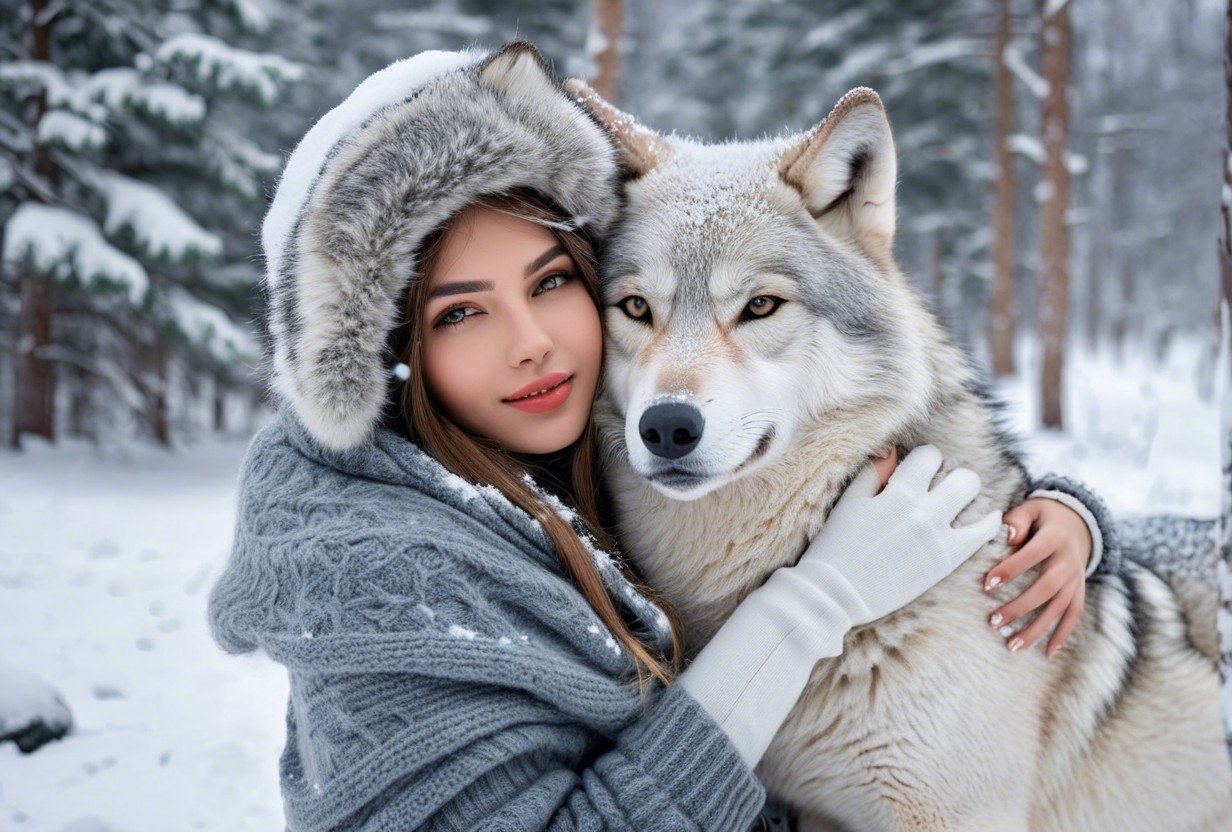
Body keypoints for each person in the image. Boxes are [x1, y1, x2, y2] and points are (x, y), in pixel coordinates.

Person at [208, 43, 1122, 830]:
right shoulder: (382, 593)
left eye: (552, 283)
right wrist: (808, 609)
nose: (532, 344)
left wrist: (1062, 519)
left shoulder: (565, 470)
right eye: (458, 316)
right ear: (383, 347)